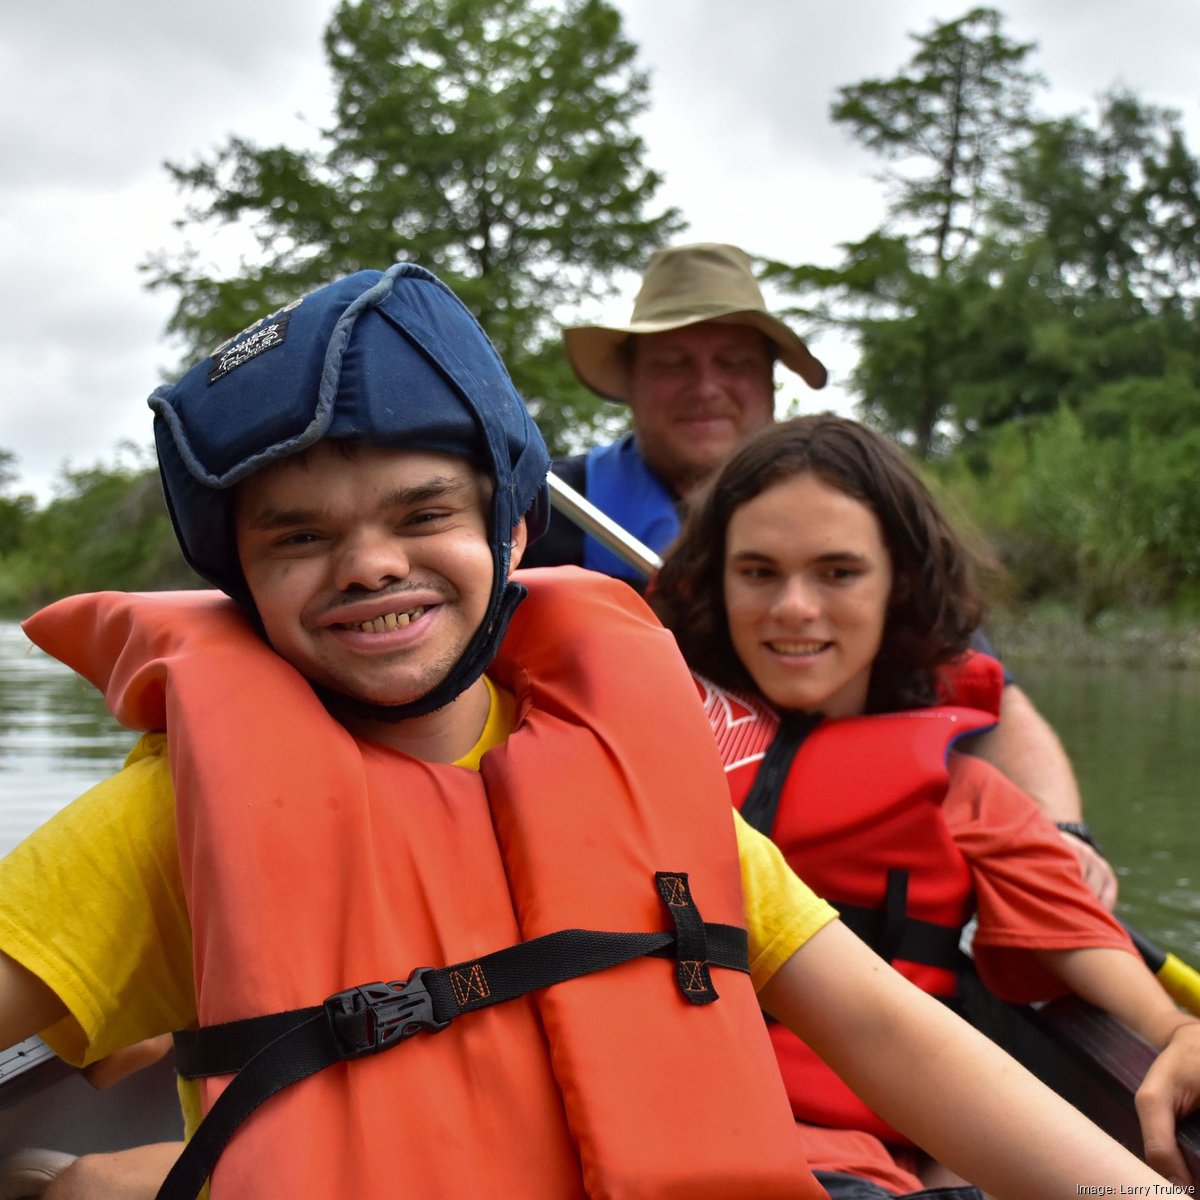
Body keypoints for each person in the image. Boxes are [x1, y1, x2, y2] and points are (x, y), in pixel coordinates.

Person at [0, 267, 1178, 1200]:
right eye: (297, 538)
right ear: (240, 582)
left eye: (424, 515)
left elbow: (884, 1027)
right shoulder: (166, 825)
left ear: (514, 536)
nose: (369, 564)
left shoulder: (642, 784)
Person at [650, 413, 1200, 1197]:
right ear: (716, 581)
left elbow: (1123, 987)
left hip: (843, 1166)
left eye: (838, 573)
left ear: (898, 583)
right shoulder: (640, 746)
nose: (795, 608)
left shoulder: (966, 797)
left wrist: (1179, 1032)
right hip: (644, 1137)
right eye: (758, 572)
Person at [524, 241, 1118, 906]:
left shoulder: (852, 504)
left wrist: (1065, 833)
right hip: (628, 869)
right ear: (629, 382)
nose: (706, 386)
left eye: (733, 363)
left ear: (773, 380)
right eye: (673, 363)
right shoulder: (541, 516)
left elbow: (989, 695)